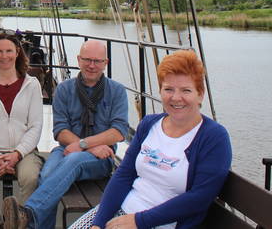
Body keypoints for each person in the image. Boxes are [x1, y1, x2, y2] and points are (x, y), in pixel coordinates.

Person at [69, 50, 232, 229]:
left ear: (200, 94)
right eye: (168, 89)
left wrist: (139, 221)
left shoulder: (213, 137)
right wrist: (98, 223)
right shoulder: (149, 124)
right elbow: (124, 175)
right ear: (160, 91)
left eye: (186, 90)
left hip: (159, 224)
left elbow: (200, 197)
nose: (176, 98)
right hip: (122, 214)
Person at [4, 39, 129, 229]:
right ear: (78, 60)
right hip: (66, 149)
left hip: (102, 158)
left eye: (97, 61)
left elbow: (118, 132)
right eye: (87, 60)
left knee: (75, 160)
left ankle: (28, 215)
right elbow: (60, 131)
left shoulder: (117, 91)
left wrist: (84, 145)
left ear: (106, 63)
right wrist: (86, 146)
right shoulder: (64, 89)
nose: (92, 65)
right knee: (46, 175)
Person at [0, 32, 44, 229]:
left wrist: (17, 154)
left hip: (25, 151)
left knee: (31, 178)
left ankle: (24, 224)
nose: (4, 56)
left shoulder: (31, 85)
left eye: (9, 51)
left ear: (17, 52)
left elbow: (35, 126)